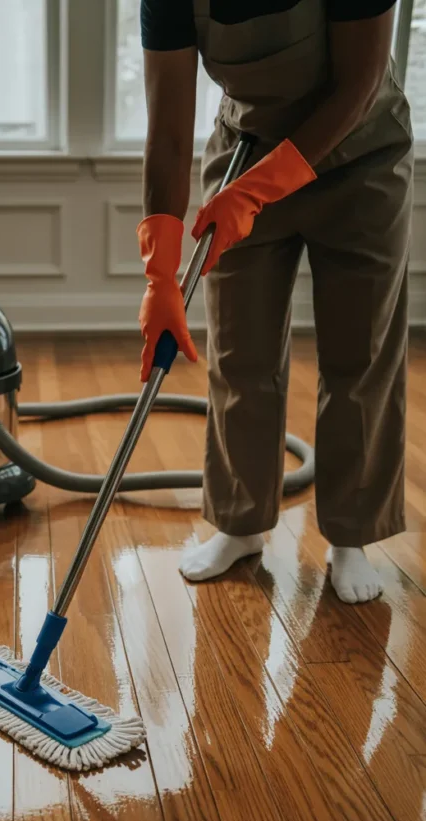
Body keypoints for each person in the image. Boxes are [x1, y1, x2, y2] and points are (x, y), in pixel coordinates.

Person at [138, 0, 413, 603]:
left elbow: (359, 84)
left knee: (359, 351)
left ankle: (351, 537)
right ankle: (239, 524)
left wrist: (259, 193)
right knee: (240, 351)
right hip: (247, 150)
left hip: (359, 153)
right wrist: (159, 267)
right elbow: (167, 128)